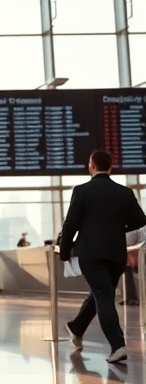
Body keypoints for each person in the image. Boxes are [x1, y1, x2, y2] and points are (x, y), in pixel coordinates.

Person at [60, 149, 146, 363]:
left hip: (90, 252)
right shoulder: (124, 192)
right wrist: (118, 226)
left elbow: (70, 224)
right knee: (103, 292)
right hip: (116, 253)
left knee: (103, 294)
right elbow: (140, 220)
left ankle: (118, 346)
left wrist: (64, 251)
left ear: (91, 166)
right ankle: (76, 327)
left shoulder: (81, 191)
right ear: (111, 167)